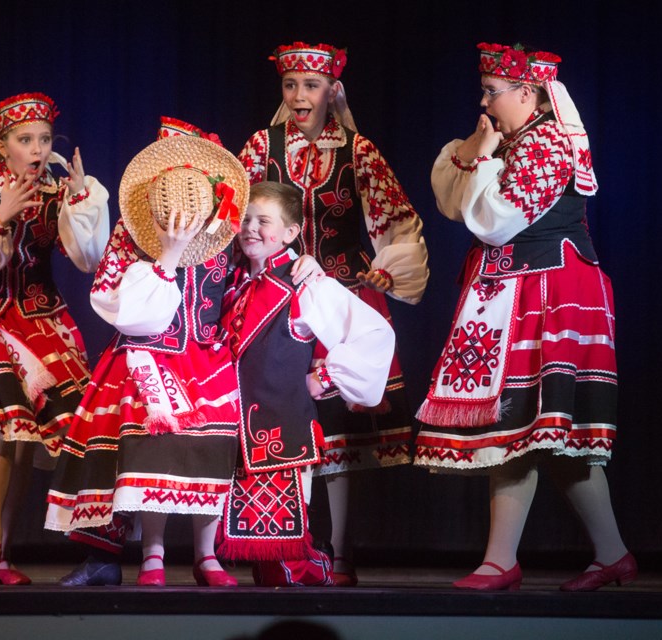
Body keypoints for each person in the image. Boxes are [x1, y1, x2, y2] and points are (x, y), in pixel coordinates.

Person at [45, 119, 322, 587]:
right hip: (143, 355)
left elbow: (250, 281)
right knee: (147, 446)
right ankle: (143, 555)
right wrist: (168, 254)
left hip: (205, 357)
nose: (182, 199)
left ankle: (205, 555)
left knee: (213, 448)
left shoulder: (222, 240)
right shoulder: (132, 235)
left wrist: (304, 261)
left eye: (191, 186)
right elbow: (116, 303)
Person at [413, 42, 636, 592]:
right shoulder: (506, 139)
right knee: (544, 434)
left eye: (493, 92)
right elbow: (448, 200)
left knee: (523, 426)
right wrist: (481, 146)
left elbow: (493, 222)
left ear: (528, 93)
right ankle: (610, 554)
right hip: (508, 293)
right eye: (483, 90)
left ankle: (501, 561)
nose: (483, 100)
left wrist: (485, 156)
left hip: (546, 291)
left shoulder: (546, 144)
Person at [239, 42, 429, 585]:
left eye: (311, 85)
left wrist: (386, 269)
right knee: (279, 418)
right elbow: (233, 214)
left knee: (339, 432)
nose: (300, 95)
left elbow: (396, 216)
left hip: (341, 296)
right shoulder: (260, 145)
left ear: (332, 91)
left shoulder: (357, 151)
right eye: (291, 85)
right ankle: (282, 544)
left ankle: (341, 551)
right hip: (274, 301)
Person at [0, 92, 110, 585]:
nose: (37, 149)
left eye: (45, 139)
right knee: (4, 412)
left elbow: (88, 258)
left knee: (30, 435)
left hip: (38, 312)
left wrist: (80, 204)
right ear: (2, 143)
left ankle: (2, 551)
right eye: (25, 139)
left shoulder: (60, 186)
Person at [217, 181, 394, 587]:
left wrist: (324, 378)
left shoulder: (304, 283)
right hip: (235, 433)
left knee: (284, 561)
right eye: (245, 219)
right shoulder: (233, 283)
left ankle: (321, 574)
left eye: (264, 221)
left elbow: (373, 333)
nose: (250, 228)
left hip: (282, 431)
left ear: (292, 232)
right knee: (262, 562)